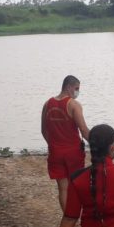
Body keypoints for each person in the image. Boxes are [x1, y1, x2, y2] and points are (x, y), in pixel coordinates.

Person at [41, 75, 90, 212]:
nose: (77, 92)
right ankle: (77, 214)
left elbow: (43, 130)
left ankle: (68, 216)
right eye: (77, 88)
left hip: (55, 152)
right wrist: (99, 144)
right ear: (69, 87)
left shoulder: (47, 104)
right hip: (73, 152)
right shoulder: (74, 105)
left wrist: (53, 144)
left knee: (62, 187)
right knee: (76, 185)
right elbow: (84, 131)